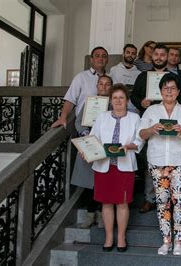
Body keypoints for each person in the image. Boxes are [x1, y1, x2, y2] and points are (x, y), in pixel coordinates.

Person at [139, 73, 181, 256]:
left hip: (180, 162)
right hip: (157, 162)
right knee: (162, 203)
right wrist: (151, 129)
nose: (169, 91)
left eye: (173, 88)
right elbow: (141, 134)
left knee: (180, 202)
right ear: (160, 91)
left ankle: (179, 241)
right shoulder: (151, 112)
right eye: (166, 88)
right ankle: (166, 241)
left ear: (178, 91)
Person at [90, 84, 143, 252]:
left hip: (125, 166)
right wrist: (87, 151)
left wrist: (131, 146)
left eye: (121, 97)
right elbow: (93, 138)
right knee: (106, 203)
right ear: (110, 101)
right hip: (103, 166)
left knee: (122, 203)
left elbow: (140, 140)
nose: (118, 101)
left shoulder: (135, 118)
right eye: (115, 98)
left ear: (127, 101)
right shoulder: (102, 117)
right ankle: (108, 237)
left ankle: (121, 236)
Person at [72, 75, 112, 229]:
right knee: (89, 183)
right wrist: (85, 135)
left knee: (103, 182)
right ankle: (90, 215)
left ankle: (102, 215)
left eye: (107, 84)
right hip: (89, 145)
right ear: (97, 86)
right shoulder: (89, 103)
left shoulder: (113, 103)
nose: (103, 87)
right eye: (101, 84)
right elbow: (78, 122)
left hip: (104, 146)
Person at [51, 46, 108, 128]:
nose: (101, 59)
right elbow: (70, 99)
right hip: (84, 125)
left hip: (105, 124)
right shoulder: (81, 77)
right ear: (91, 60)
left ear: (107, 60)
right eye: (97, 56)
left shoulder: (112, 78)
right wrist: (63, 118)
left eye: (104, 56)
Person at [109, 43, 141, 113]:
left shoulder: (139, 73)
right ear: (123, 54)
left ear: (136, 56)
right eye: (128, 52)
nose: (130, 55)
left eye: (133, 53)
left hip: (132, 108)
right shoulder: (114, 70)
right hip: (116, 106)